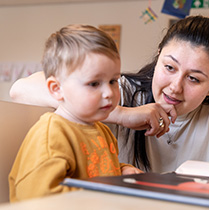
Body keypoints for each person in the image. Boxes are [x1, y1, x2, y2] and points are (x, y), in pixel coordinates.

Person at [9, 15, 209, 184]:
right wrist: (120, 113)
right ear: (158, 58)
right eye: (168, 68)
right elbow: (20, 89)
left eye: (194, 79)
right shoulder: (119, 91)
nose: (175, 87)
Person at [8, 24, 144, 202]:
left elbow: (94, 171)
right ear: (57, 89)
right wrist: (109, 190)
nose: (109, 92)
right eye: (94, 83)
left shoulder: (101, 130)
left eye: (113, 81)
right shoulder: (51, 135)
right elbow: (38, 198)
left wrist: (121, 170)